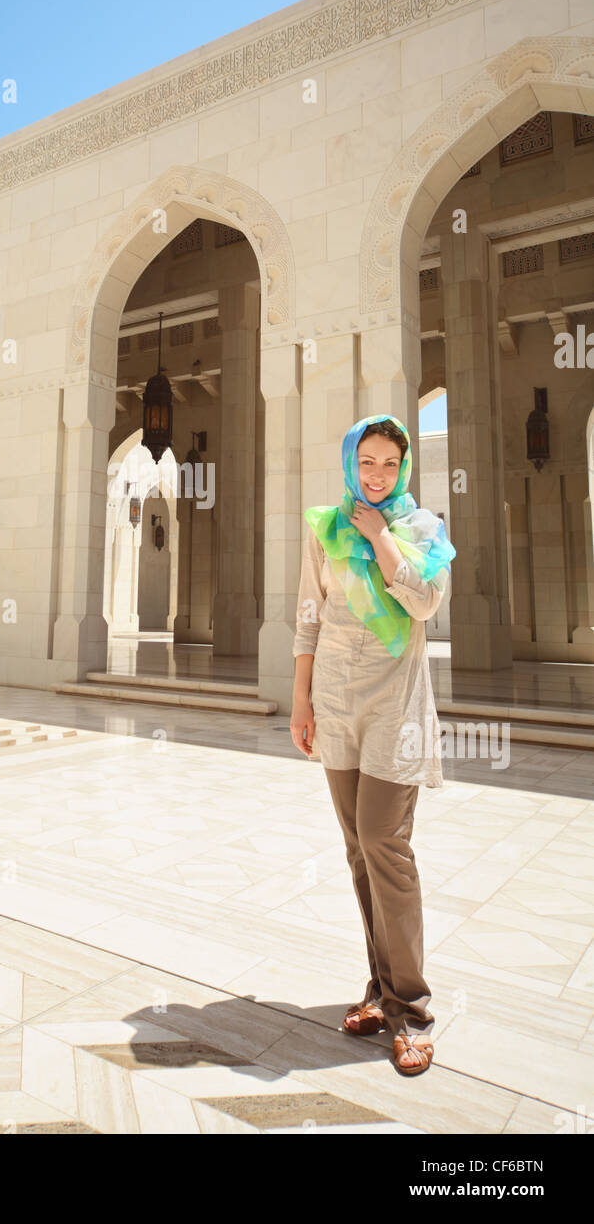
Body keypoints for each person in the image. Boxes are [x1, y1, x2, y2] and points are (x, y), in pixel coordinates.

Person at [289, 413, 455, 1076]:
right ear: (351, 463)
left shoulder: (423, 530)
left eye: (389, 463)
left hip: (394, 709)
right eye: (368, 462)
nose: (378, 474)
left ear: (403, 468)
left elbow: (421, 604)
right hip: (334, 702)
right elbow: (308, 616)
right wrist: (301, 699)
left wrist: (381, 535)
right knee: (359, 850)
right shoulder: (324, 527)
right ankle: (380, 994)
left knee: (386, 846)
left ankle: (411, 1010)